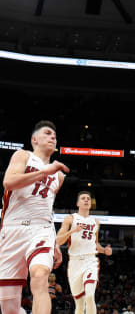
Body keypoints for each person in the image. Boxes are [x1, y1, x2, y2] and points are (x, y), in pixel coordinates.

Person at [0, 120, 69, 314]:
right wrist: (43, 172)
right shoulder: (23, 155)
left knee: (40, 275)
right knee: (8, 308)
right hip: (12, 229)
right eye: (47, 133)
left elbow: (47, 208)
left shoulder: (59, 176)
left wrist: (54, 241)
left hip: (41, 229)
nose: (52, 137)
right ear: (34, 139)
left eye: (54, 136)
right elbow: (9, 182)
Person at [56, 191, 113, 314]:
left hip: (90, 261)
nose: (86, 200)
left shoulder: (95, 222)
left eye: (88, 198)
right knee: (79, 305)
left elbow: (95, 244)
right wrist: (72, 231)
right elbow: (59, 241)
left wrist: (104, 250)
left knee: (89, 295)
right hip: (75, 263)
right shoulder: (70, 219)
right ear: (78, 203)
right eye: (83, 198)